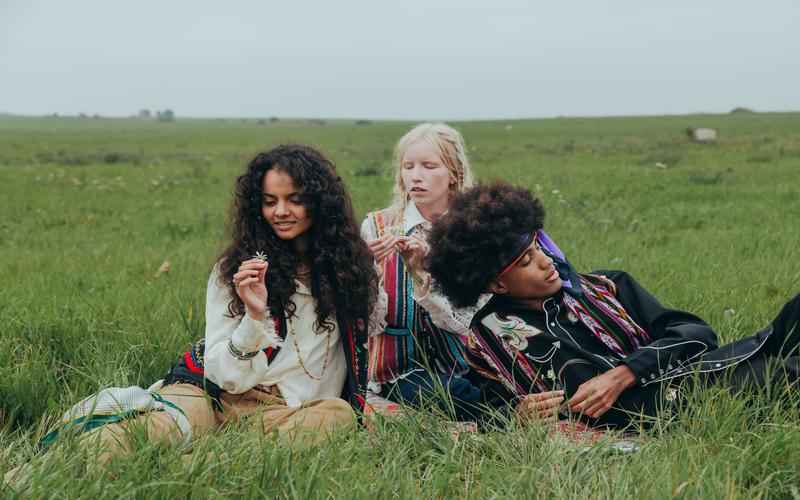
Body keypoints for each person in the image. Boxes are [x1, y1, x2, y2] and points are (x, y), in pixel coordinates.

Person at [6, 144, 379, 484]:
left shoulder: (351, 272)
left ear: (319, 203)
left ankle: (185, 469)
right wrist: (254, 316)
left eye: (294, 199)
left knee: (339, 416)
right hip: (212, 393)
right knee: (160, 428)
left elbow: (374, 341)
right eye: (269, 201)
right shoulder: (235, 270)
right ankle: (33, 476)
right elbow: (225, 376)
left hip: (282, 414)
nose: (280, 212)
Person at [425, 182, 800, 428]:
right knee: (786, 372)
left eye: (538, 247)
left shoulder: (606, 285)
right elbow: (490, 411)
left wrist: (623, 373)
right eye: (525, 261)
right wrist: (516, 416)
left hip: (700, 372)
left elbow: (698, 334)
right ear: (495, 282)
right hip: (665, 410)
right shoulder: (489, 337)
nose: (544, 261)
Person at [362, 123, 559, 423]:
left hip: (466, 356)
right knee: (449, 394)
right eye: (408, 166)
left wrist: (423, 274)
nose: (416, 176)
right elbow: (368, 323)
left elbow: (471, 322)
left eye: (429, 166)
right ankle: (510, 419)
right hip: (399, 368)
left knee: (512, 381)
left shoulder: (473, 231)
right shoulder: (377, 227)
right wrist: (371, 271)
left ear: (453, 173)